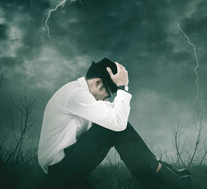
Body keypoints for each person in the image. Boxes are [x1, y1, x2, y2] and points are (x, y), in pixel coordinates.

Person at [38, 58, 192, 188]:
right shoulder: (76, 94)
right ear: (98, 83)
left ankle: (159, 170)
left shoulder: (84, 93)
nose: (107, 100)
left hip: (67, 161)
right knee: (113, 127)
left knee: (116, 124)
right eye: (107, 95)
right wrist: (122, 87)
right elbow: (118, 123)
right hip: (58, 170)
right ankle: (160, 177)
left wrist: (121, 89)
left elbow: (119, 118)